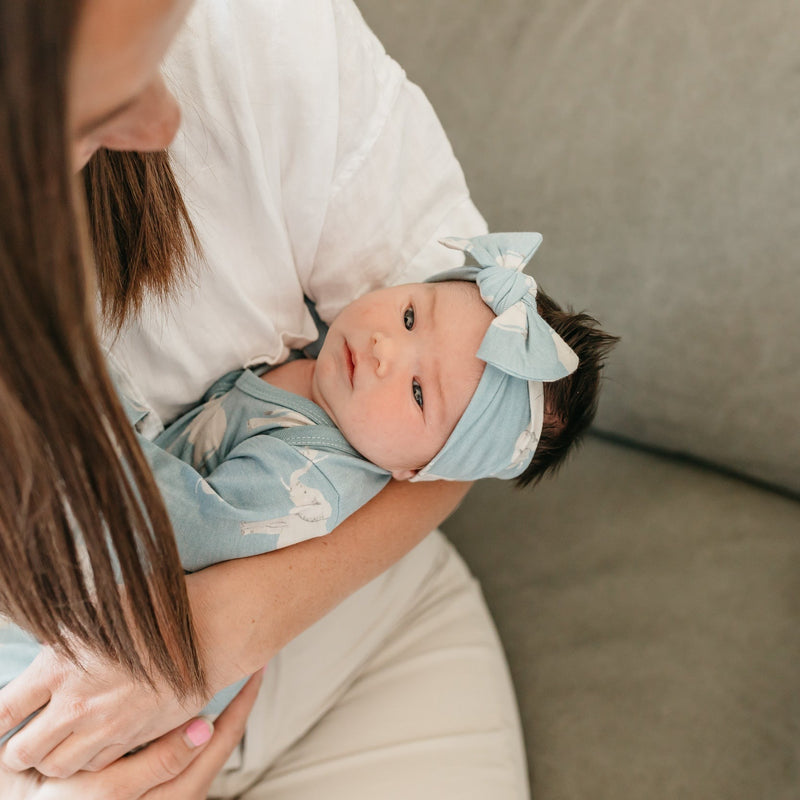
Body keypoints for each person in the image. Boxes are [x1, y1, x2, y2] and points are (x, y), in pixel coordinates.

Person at [0, 0, 542, 796]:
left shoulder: (265, 28)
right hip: (64, 720)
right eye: (104, 100)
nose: (166, 119)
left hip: (360, 628)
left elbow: (468, 433)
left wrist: (212, 637)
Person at [1, 232, 618, 717]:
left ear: (415, 471)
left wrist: (89, 396)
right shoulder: (327, 362)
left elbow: (180, 529)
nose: (384, 350)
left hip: (107, 656)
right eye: (409, 317)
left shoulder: (312, 478)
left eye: (418, 391)